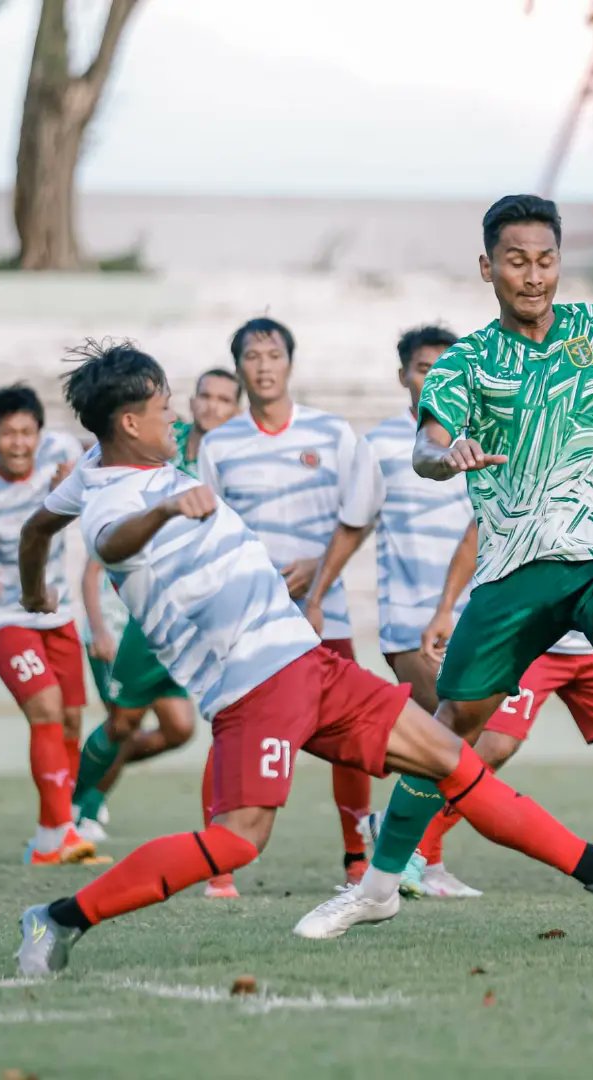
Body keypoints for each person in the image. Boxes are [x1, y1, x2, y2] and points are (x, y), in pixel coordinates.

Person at [15, 341, 593, 975]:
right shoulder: (116, 500)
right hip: (255, 685)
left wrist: (32, 584)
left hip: (307, 662)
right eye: (165, 410)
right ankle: (57, 918)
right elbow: (113, 541)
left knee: (453, 758)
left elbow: (39, 524)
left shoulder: (94, 469)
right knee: (238, 841)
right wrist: (163, 512)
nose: (176, 421)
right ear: (131, 422)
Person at [295, 193, 593, 940]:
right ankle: (380, 884)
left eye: (546, 260)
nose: (533, 275)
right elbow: (426, 445)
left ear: (561, 263)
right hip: (514, 565)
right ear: (488, 267)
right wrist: (441, 454)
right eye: (517, 261)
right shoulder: (464, 364)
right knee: (453, 725)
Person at [413, 406, 593, 899]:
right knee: (490, 746)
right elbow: (478, 530)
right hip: (538, 633)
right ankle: (412, 852)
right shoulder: (537, 434)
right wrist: (446, 608)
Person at [302, 324, 478, 896]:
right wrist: (317, 596)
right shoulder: (378, 445)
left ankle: (414, 852)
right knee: (456, 742)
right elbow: (354, 525)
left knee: (467, 742)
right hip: (408, 620)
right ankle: (412, 854)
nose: (434, 379)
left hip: (473, 615)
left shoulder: (480, 439)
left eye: (445, 369)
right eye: (423, 369)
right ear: (403, 374)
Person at [198, 318, 372, 886]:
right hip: (249, 623)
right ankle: (217, 868)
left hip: (326, 614)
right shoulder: (220, 445)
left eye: (274, 354)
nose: (265, 365)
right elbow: (211, 535)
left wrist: (317, 579)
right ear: (240, 366)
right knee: (234, 730)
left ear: (290, 363)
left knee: (350, 740)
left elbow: (362, 512)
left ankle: (358, 858)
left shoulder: (332, 433)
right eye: (253, 356)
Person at [72, 369, 241, 875]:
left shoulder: (236, 456)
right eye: (203, 397)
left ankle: (88, 790)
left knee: (178, 727)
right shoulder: (167, 448)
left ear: (238, 409)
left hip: (184, 614)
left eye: (223, 400)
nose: (211, 406)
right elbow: (102, 541)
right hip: (128, 617)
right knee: (124, 721)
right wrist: (99, 624)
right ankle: (75, 806)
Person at [0, 384, 93, 865]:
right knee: (46, 708)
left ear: (40, 433)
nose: (20, 443)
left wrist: (73, 488)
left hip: (58, 610)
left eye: (27, 432)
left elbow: (98, 457)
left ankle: (53, 833)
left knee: (71, 717)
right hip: (3, 616)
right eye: (8, 434)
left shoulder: (61, 455)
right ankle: (61, 835)